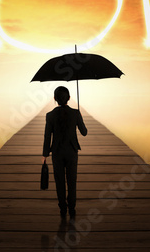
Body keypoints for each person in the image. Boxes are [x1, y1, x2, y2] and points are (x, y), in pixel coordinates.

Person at [42, 86, 87, 218]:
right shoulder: (75, 113)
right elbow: (84, 133)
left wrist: (45, 154)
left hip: (57, 152)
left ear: (55, 99)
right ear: (69, 98)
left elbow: (47, 136)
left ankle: (62, 208)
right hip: (72, 152)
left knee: (59, 181)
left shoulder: (50, 115)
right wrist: (79, 117)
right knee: (72, 181)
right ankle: (72, 208)